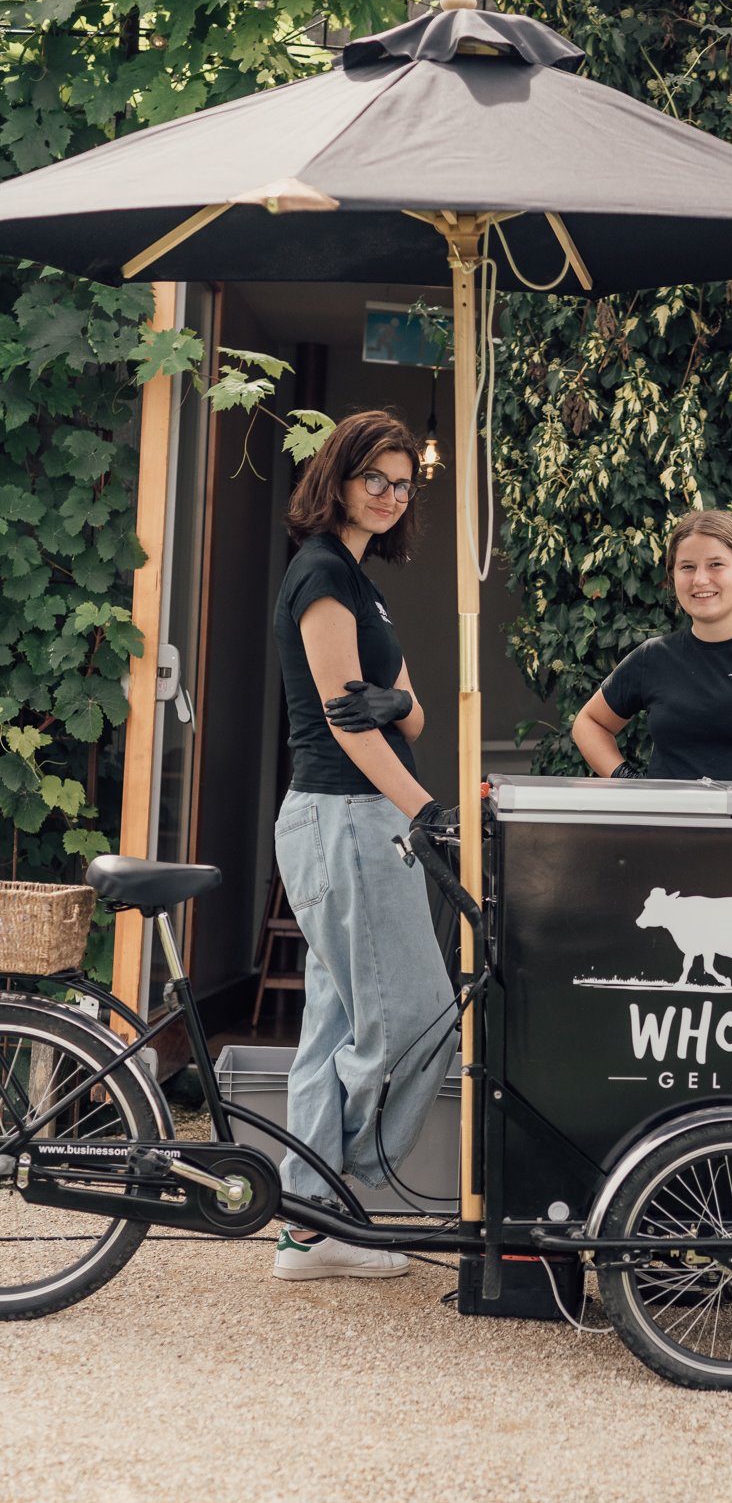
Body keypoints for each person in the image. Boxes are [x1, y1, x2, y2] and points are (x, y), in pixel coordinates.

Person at [269, 410, 457, 1281]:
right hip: (345, 815)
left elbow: (410, 710)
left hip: (350, 819)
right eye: (373, 478)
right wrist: (427, 808)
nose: (388, 495)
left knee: (335, 1023)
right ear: (338, 478)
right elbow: (350, 728)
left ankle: (303, 1222)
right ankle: (322, 1202)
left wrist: (393, 706)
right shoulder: (319, 575)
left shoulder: (362, 582)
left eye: (401, 484)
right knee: (419, 1018)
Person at [571, 510, 732, 784]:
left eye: (716, 564)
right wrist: (631, 783)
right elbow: (589, 723)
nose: (700, 579)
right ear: (673, 576)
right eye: (687, 567)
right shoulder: (654, 656)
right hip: (668, 825)